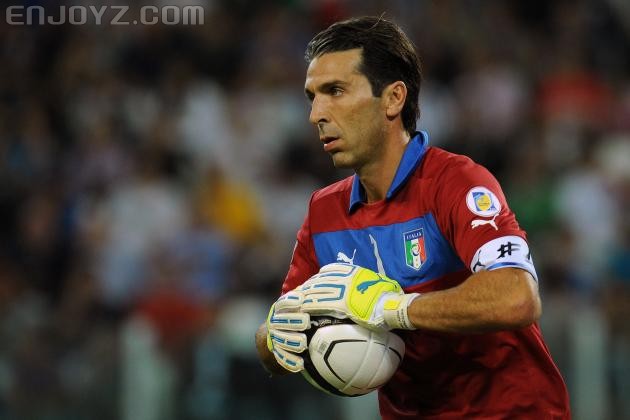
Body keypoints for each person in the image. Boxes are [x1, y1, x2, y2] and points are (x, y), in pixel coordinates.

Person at [255, 15, 571, 419]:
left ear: (393, 99)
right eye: (312, 96)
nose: (316, 113)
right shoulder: (324, 213)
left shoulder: (456, 182)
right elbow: (281, 330)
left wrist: (390, 308)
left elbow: (516, 297)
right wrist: (273, 338)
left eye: (335, 91)